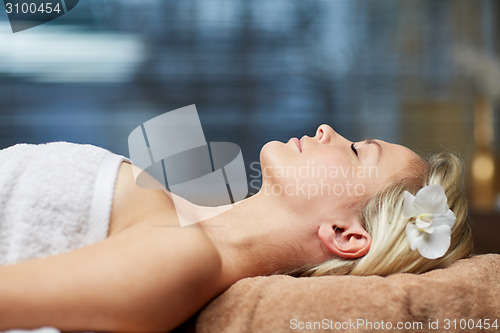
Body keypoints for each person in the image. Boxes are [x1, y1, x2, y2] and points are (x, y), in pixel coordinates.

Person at [0, 124, 473, 332]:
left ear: (347, 235)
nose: (328, 129)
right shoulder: (176, 219)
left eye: (354, 151)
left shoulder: (183, 257)